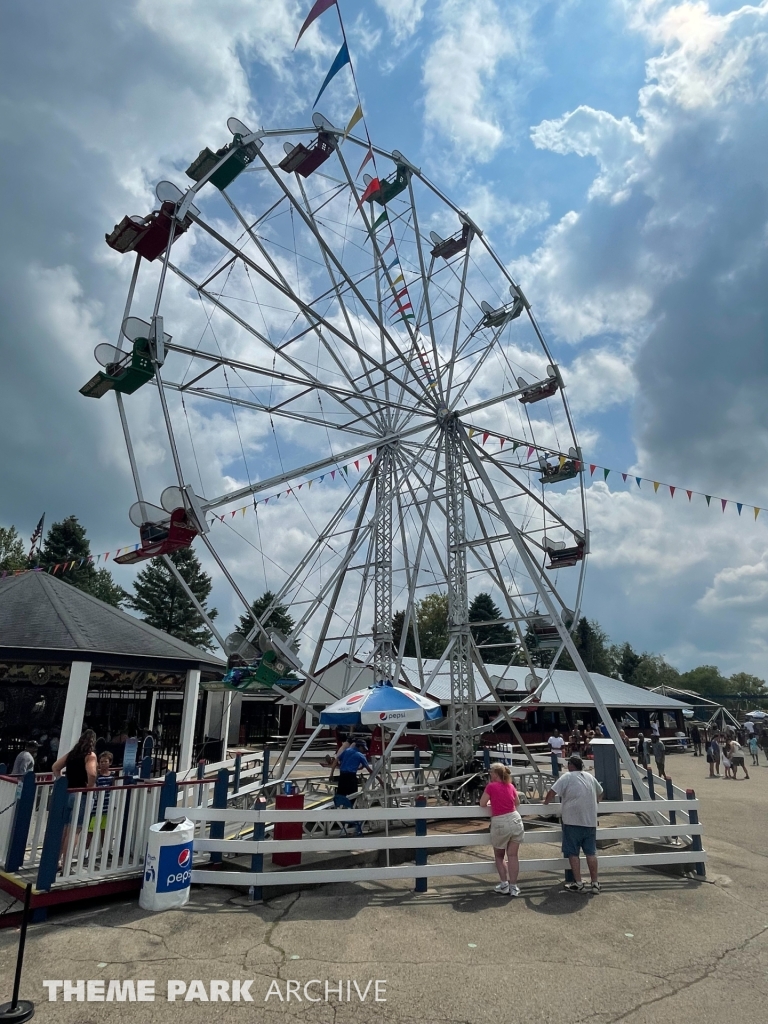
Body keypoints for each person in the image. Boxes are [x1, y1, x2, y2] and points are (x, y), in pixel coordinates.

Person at [544, 754, 603, 894]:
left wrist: (545, 802)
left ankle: (578, 883)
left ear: (571, 765)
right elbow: (600, 792)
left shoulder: (567, 777)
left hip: (572, 821)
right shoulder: (589, 777)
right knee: (591, 852)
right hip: (590, 821)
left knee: (573, 853)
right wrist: (594, 803)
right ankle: (595, 883)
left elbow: (552, 792)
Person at [52, 729, 98, 864]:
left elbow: (55, 767)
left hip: (68, 792)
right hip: (81, 795)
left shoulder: (72, 754)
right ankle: (66, 863)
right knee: (75, 830)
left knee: (65, 829)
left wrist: (61, 780)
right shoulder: (90, 756)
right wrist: (90, 787)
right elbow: (92, 774)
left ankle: (56, 861)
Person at [480, 762, 524, 897]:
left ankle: (504, 884)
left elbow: (482, 803)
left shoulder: (491, 786)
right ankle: (514, 886)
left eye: (491, 772)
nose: (490, 774)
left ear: (496, 774)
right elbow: (517, 803)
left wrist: (491, 802)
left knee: (499, 856)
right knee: (513, 856)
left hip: (500, 821)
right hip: (515, 819)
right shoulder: (510, 786)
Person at [87, 751, 115, 849]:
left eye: (105, 761)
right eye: (101, 761)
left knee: (104, 830)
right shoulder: (97, 775)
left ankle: (105, 849)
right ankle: (86, 851)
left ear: (110, 763)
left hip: (106, 806)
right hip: (96, 806)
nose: (103, 763)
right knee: (91, 830)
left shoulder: (112, 776)